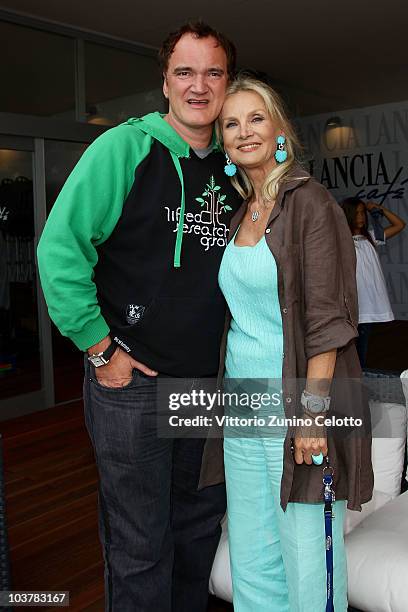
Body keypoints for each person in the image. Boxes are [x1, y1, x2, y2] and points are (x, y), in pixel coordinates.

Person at [37, 21, 241, 612]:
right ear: (165, 81)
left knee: (198, 535)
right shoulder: (124, 148)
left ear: (228, 83)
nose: (198, 85)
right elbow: (60, 249)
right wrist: (101, 351)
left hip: (208, 387)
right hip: (132, 385)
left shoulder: (234, 168)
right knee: (140, 547)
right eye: (185, 71)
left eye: (213, 72)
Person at [200, 75, 374, 611]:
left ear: (279, 130)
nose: (243, 131)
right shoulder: (235, 216)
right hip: (243, 405)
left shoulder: (310, 203)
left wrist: (311, 416)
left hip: (297, 403)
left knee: (307, 552)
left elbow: (328, 320)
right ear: (223, 142)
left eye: (255, 118)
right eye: (231, 123)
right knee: (251, 553)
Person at [341, 197, 405, 367]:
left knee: (362, 347)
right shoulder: (342, 240)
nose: (360, 217)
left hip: (369, 304)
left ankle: (359, 381)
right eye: (356, 214)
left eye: (362, 213)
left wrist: (377, 208)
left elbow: (399, 224)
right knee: (350, 349)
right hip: (354, 302)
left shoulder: (371, 236)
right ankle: (354, 383)